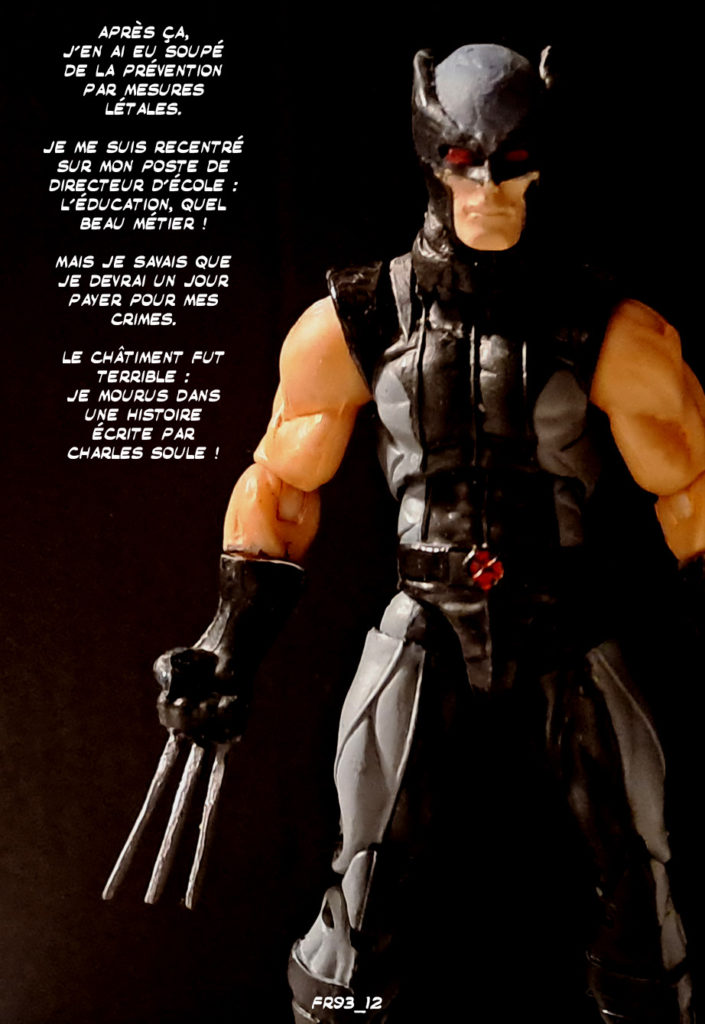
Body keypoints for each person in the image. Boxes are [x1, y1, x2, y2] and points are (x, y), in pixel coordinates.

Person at [151, 45, 698, 1023]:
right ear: (428, 157)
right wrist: (230, 640)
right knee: (362, 884)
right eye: (460, 162)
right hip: (426, 621)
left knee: (645, 887)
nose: (485, 187)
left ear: (540, 161)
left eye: (509, 162)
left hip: (563, 620)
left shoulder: (610, 329)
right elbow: (281, 484)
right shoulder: (358, 319)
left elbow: (692, 491)